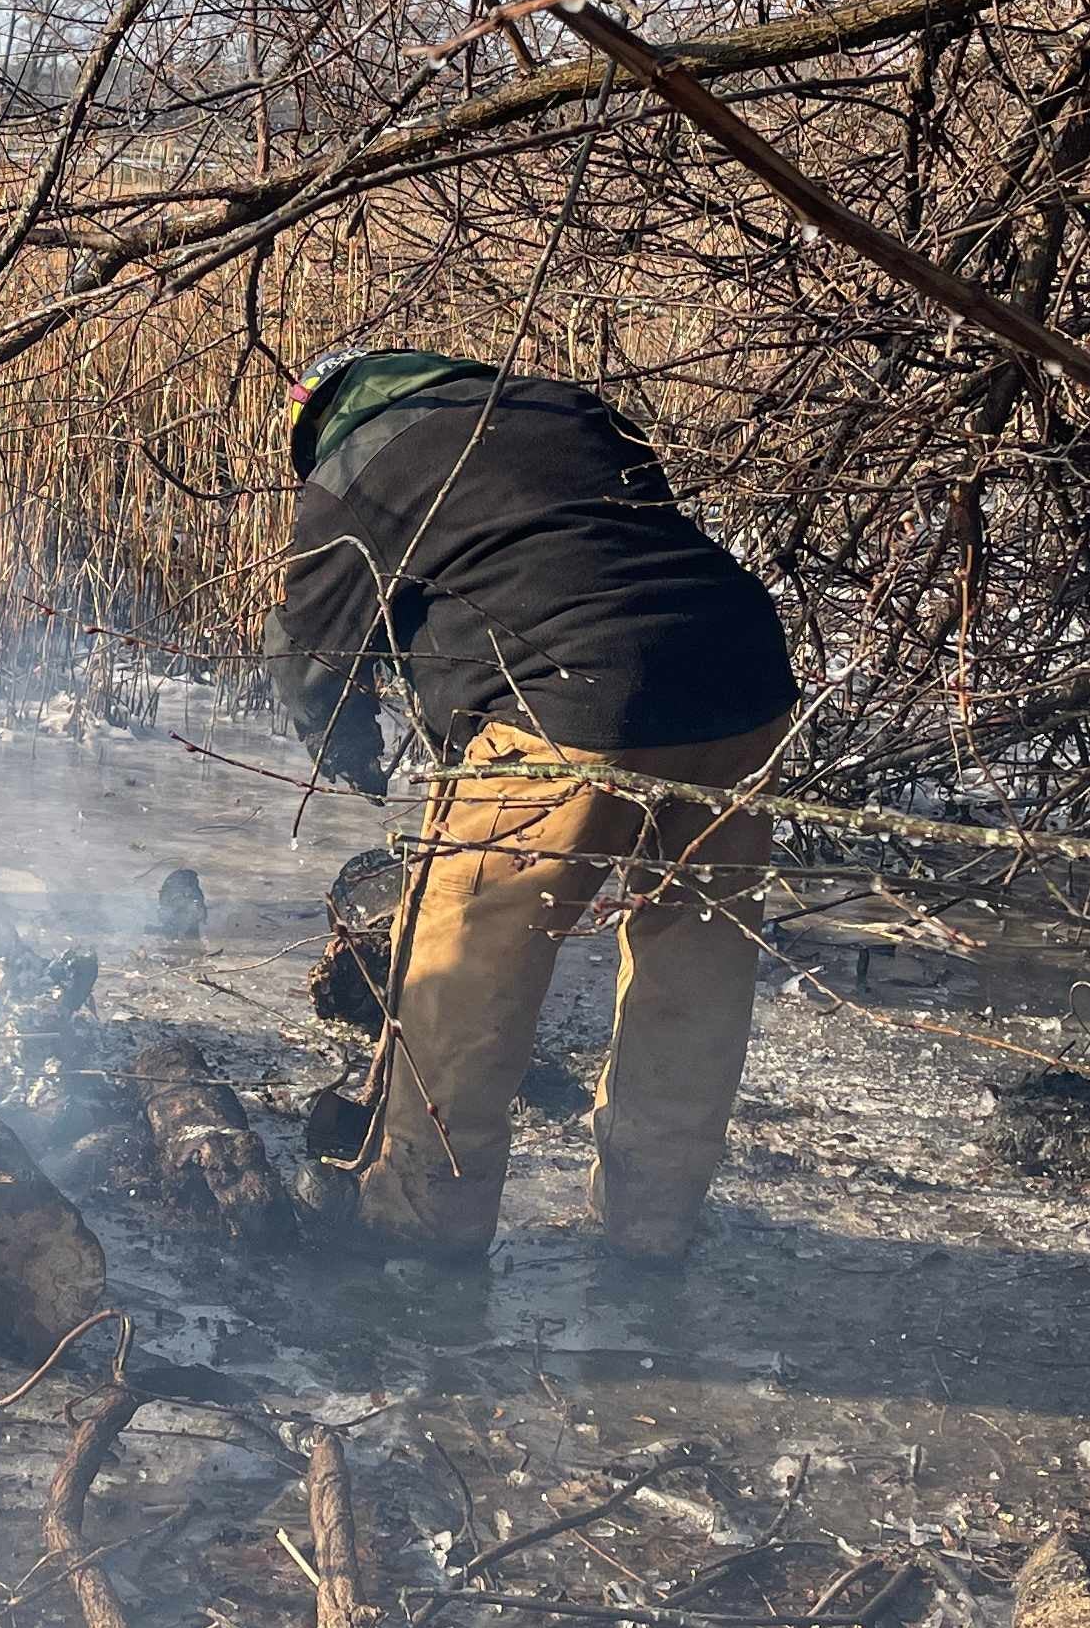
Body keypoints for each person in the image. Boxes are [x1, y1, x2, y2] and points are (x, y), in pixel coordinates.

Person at [267, 345, 797, 1273]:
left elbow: (311, 659)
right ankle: (652, 1228)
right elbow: (601, 552)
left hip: (564, 702)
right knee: (696, 963)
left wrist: (345, 753)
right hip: (741, 680)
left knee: (467, 978)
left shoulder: (352, 470)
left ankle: (420, 1231)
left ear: (321, 422)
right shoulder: (562, 408)